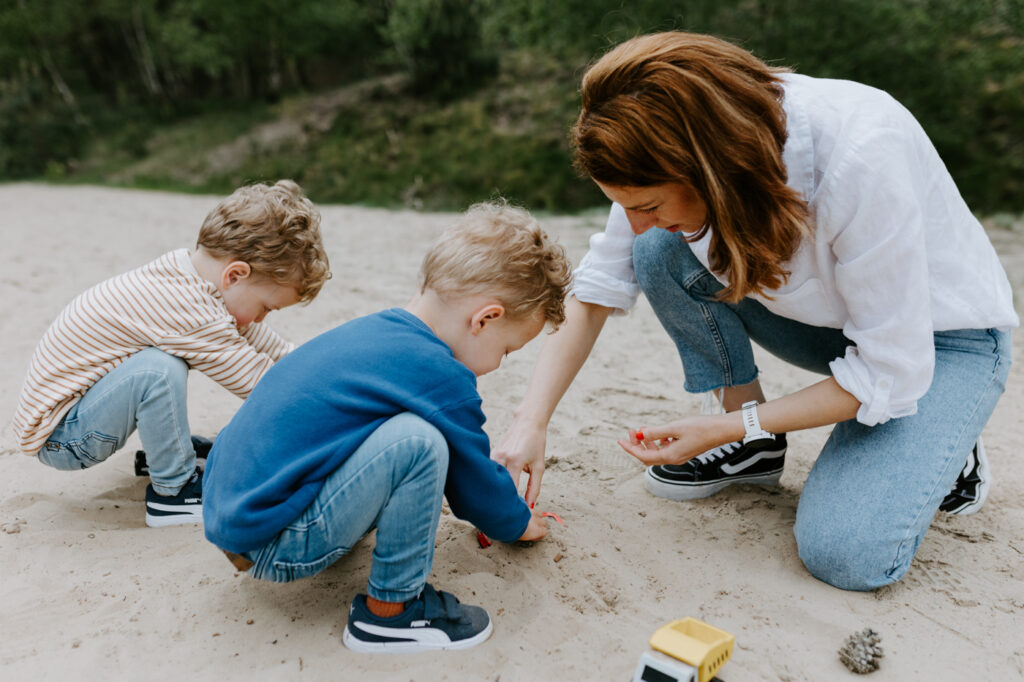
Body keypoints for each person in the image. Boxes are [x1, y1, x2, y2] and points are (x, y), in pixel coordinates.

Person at [493, 32, 1018, 591]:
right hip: (836, 323)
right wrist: (530, 425)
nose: (635, 220)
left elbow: (890, 368)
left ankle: (947, 444)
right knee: (657, 251)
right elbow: (598, 289)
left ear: (708, 166)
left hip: (940, 345)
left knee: (845, 554)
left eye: (646, 205)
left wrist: (723, 426)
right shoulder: (680, 146)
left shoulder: (862, 154)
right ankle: (754, 452)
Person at [201, 201, 572, 652]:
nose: (500, 363)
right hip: (276, 540)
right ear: (485, 319)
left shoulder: (374, 332)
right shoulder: (441, 374)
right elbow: (475, 490)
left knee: (394, 430)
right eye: (508, 349)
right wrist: (520, 524)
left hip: (234, 514)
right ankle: (391, 616)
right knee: (419, 443)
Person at [12, 180, 330, 527]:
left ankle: (170, 454)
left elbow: (273, 350)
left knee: (163, 362)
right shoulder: (188, 311)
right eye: (266, 307)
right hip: (62, 436)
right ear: (235, 274)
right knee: (158, 370)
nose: (260, 318)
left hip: (81, 412)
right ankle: (173, 491)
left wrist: (323, 373)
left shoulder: (190, 276)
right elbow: (261, 384)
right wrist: (330, 411)